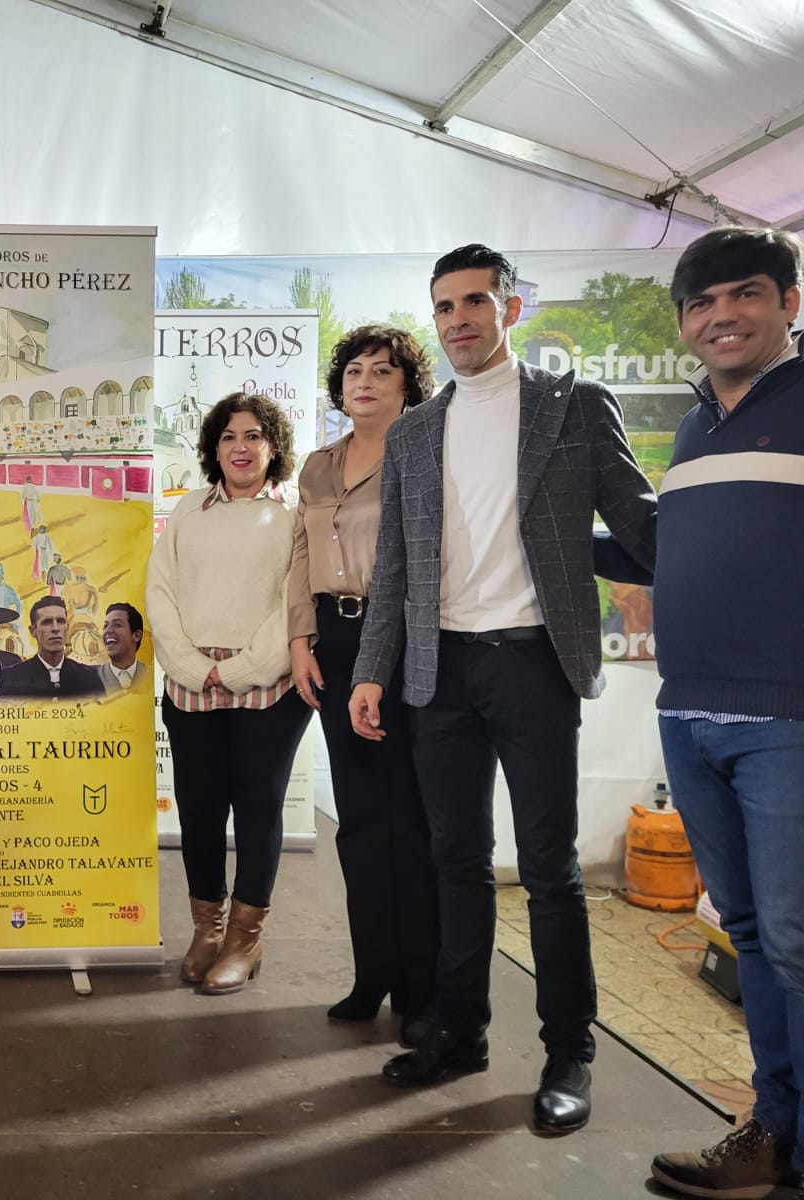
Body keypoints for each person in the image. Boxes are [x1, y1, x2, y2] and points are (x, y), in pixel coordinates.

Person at [348, 244, 657, 1134]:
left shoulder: (574, 407)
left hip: (531, 665)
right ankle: (460, 1030)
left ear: (511, 309)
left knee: (551, 872)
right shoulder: (413, 431)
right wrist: (372, 672)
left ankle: (570, 1051)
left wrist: (587, 558)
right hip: (438, 671)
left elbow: (640, 527)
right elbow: (397, 567)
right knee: (456, 864)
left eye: (475, 302)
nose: (457, 321)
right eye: (443, 307)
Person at [643, 228, 804, 1200]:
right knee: (750, 932)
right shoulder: (693, 425)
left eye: (743, 294)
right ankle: (774, 1133)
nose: (721, 316)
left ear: (787, 299)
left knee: (792, 937)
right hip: (689, 715)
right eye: (701, 304)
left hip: (785, 719)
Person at [287, 326, 439, 1043]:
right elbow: (298, 557)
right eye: (353, 370)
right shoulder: (317, 466)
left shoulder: (425, 455)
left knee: (407, 820)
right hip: (334, 639)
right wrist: (300, 641)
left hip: (404, 640)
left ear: (408, 383)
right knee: (357, 821)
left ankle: (420, 984)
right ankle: (371, 972)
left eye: (383, 370)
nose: (366, 380)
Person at [147, 392, 313, 995]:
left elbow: (297, 601)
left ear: (274, 447)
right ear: (213, 448)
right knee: (198, 806)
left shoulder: (295, 512)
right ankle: (206, 930)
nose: (240, 449)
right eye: (228, 438)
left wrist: (239, 670)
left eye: (253, 437)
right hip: (192, 686)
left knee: (259, 807)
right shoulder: (190, 510)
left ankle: (245, 939)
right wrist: (193, 666)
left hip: (268, 686)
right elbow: (159, 592)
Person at [0, 595, 106, 700]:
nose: (55, 628)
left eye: (61, 621)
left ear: (67, 628)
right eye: (47, 622)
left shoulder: (89, 678)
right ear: (33, 631)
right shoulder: (11, 679)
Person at [98, 603, 148, 695]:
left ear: (136, 636)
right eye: (105, 626)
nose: (108, 630)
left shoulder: (150, 676)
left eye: (117, 625)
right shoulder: (92, 678)